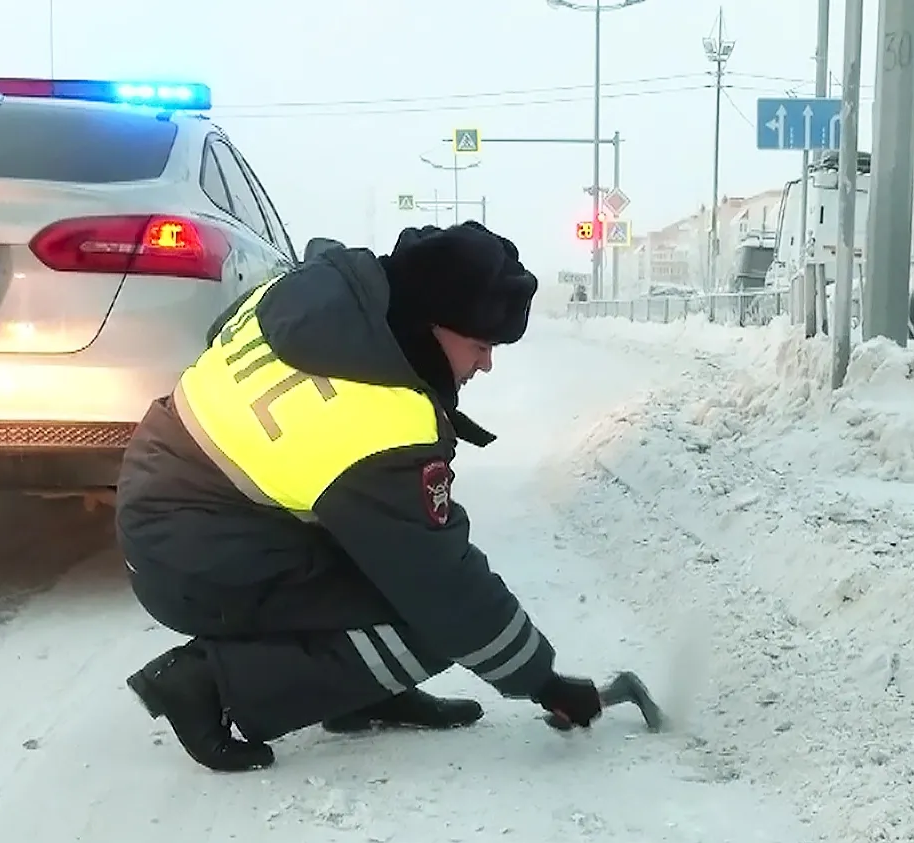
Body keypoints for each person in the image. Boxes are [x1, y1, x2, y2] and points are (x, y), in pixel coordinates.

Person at [115, 222, 604, 772]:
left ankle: (364, 695)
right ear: (432, 323)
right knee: (429, 621)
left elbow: (217, 339)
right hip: (193, 560)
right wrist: (544, 681)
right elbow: (442, 587)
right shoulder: (379, 418)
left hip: (167, 492)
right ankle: (207, 683)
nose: (485, 364)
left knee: (389, 567)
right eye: (481, 343)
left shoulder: (305, 299)